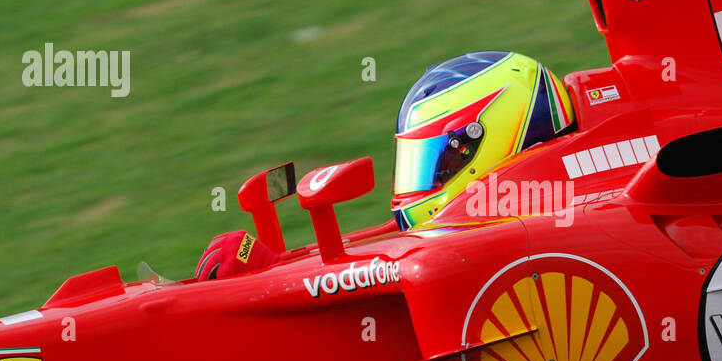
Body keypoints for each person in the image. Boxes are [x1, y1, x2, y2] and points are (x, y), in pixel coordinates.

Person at [195, 51, 575, 279]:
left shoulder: (545, 217)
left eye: (436, 158)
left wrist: (273, 277)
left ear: (482, 144)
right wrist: (274, 267)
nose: (422, 177)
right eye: (416, 159)